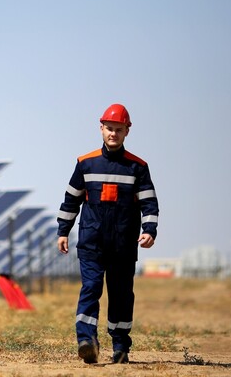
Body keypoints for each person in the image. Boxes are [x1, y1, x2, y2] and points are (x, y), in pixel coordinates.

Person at [56, 103, 159, 364]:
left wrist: (149, 230)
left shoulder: (138, 167)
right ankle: (87, 341)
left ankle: (120, 346)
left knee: (121, 295)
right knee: (90, 288)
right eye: (109, 128)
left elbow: (149, 203)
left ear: (127, 132)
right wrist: (63, 231)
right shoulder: (85, 164)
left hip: (123, 245)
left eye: (119, 129)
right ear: (101, 129)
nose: (113, 133)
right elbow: (71, 200)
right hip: (91, 242)